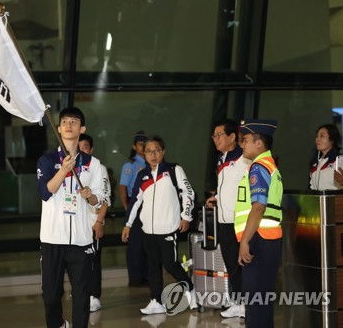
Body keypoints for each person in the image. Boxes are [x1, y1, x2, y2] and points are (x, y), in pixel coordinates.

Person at [37, 107, 105, 328]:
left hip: (81, 240)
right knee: (50, 296)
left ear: (82, 129)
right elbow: (45, 192)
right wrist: (63, 170)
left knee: (82, 295)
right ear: (58, 128)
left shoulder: (93, 164)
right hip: (52, 239)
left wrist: (91, 196)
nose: (68, 125)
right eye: (64, 122)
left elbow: (100, 200)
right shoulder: (47, 160)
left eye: (74, 122)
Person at [121, 135, 197, 315]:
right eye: (148, 151)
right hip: (148, 230)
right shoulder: (142, 175)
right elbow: (135, 202)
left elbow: (188, 193)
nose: (153, 155)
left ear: (163, 152)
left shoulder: (173, 170)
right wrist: (128, 224)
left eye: (156, 151)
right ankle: (156, 301)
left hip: (169, 228)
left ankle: (192, 291)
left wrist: (186, 217)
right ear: (143, 154)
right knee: (152, 266)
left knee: (171, 265)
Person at [235, 120, 283, 328]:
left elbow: (258, 207)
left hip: (258, 238)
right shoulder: (271, 166)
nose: (242, 145)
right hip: (268, 239)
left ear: (259, 143)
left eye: (245, 140)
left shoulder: (258, 167)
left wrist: (245, 241)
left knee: (255, 302)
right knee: (262, 300)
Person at [206, 119, 250, 318]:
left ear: (232, 136)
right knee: (231, 263)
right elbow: (229, 188)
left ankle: (247, 304)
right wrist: (216, 198)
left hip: (239, 221)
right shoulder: (221, 158)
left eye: (219, 135)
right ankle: (238, 301)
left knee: (242, 264)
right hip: (223, 218)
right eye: (213, 136)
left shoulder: (244, 158)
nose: (215, 139)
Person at [78, 133, 111, 313]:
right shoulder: (72, 168)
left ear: (91, 149)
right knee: (79, 262)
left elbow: (105, 199)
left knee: (93, 262)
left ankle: (94, 296)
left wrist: (99, 222)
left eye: (85, 147)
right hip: (76, 226)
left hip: (92, 223)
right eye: (79, 147)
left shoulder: (99, 168)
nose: (82, 150)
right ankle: (82, 293)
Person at [119, 130, 149, 287]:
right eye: (140, 144)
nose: (143, 147)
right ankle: (136, 277)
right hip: (135, 204)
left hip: (149, 206)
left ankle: (147, 275)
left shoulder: (152, 163)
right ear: (134, 146)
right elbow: (123, 187)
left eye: (145, 144)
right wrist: (127, 207)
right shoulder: (130, 165)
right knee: (135, 244)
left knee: (148, 242)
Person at [309, 123, 343, 190]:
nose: (318, 139)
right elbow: (312, 187)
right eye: (317, 136)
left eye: (322, 136)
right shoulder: (315, 163)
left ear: (332, 140)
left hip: (337, 200)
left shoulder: (340, 160)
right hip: (320, 200)